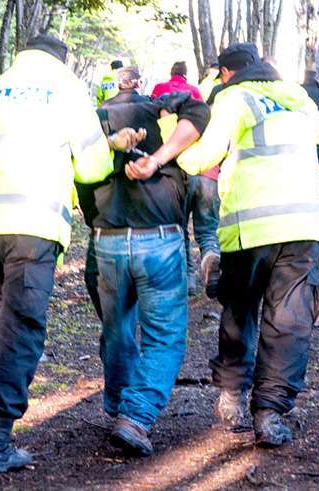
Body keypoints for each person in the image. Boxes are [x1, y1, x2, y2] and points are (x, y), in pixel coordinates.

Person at [126, 43, 319, 448]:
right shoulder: (301, 100)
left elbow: (202, 157)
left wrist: (169, 131)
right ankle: (270, 413)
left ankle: (232, 398)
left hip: (251, 228)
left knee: (240, 310)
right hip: (303, 226)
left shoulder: (235, 98)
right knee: (289, 322)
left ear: (225, 74)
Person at [0, 35, 143, 473]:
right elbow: (93, 165)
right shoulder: (66, 86)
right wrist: (110, 146)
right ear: (61, 59)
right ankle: (0, 442)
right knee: (22, 324)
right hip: (34, 222)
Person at [76, 66, 210, 457]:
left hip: (107, 240)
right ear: (141, 85)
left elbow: (81, 180)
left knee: (117, 329)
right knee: (164, 336)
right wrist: (160, 157)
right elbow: (201, 114)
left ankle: (120, 409)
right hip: (160, 240)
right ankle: (134, 417)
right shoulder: (163, 115)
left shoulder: (91, 124)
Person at [151, 61, 221, 297]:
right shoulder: (197, 93)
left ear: (171, 73)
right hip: (208, 171)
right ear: (186, 75)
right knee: (208, 230)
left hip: (181, 171)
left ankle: (188, 279)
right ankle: (210, 258)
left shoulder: (159, 89)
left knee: (180, 228)